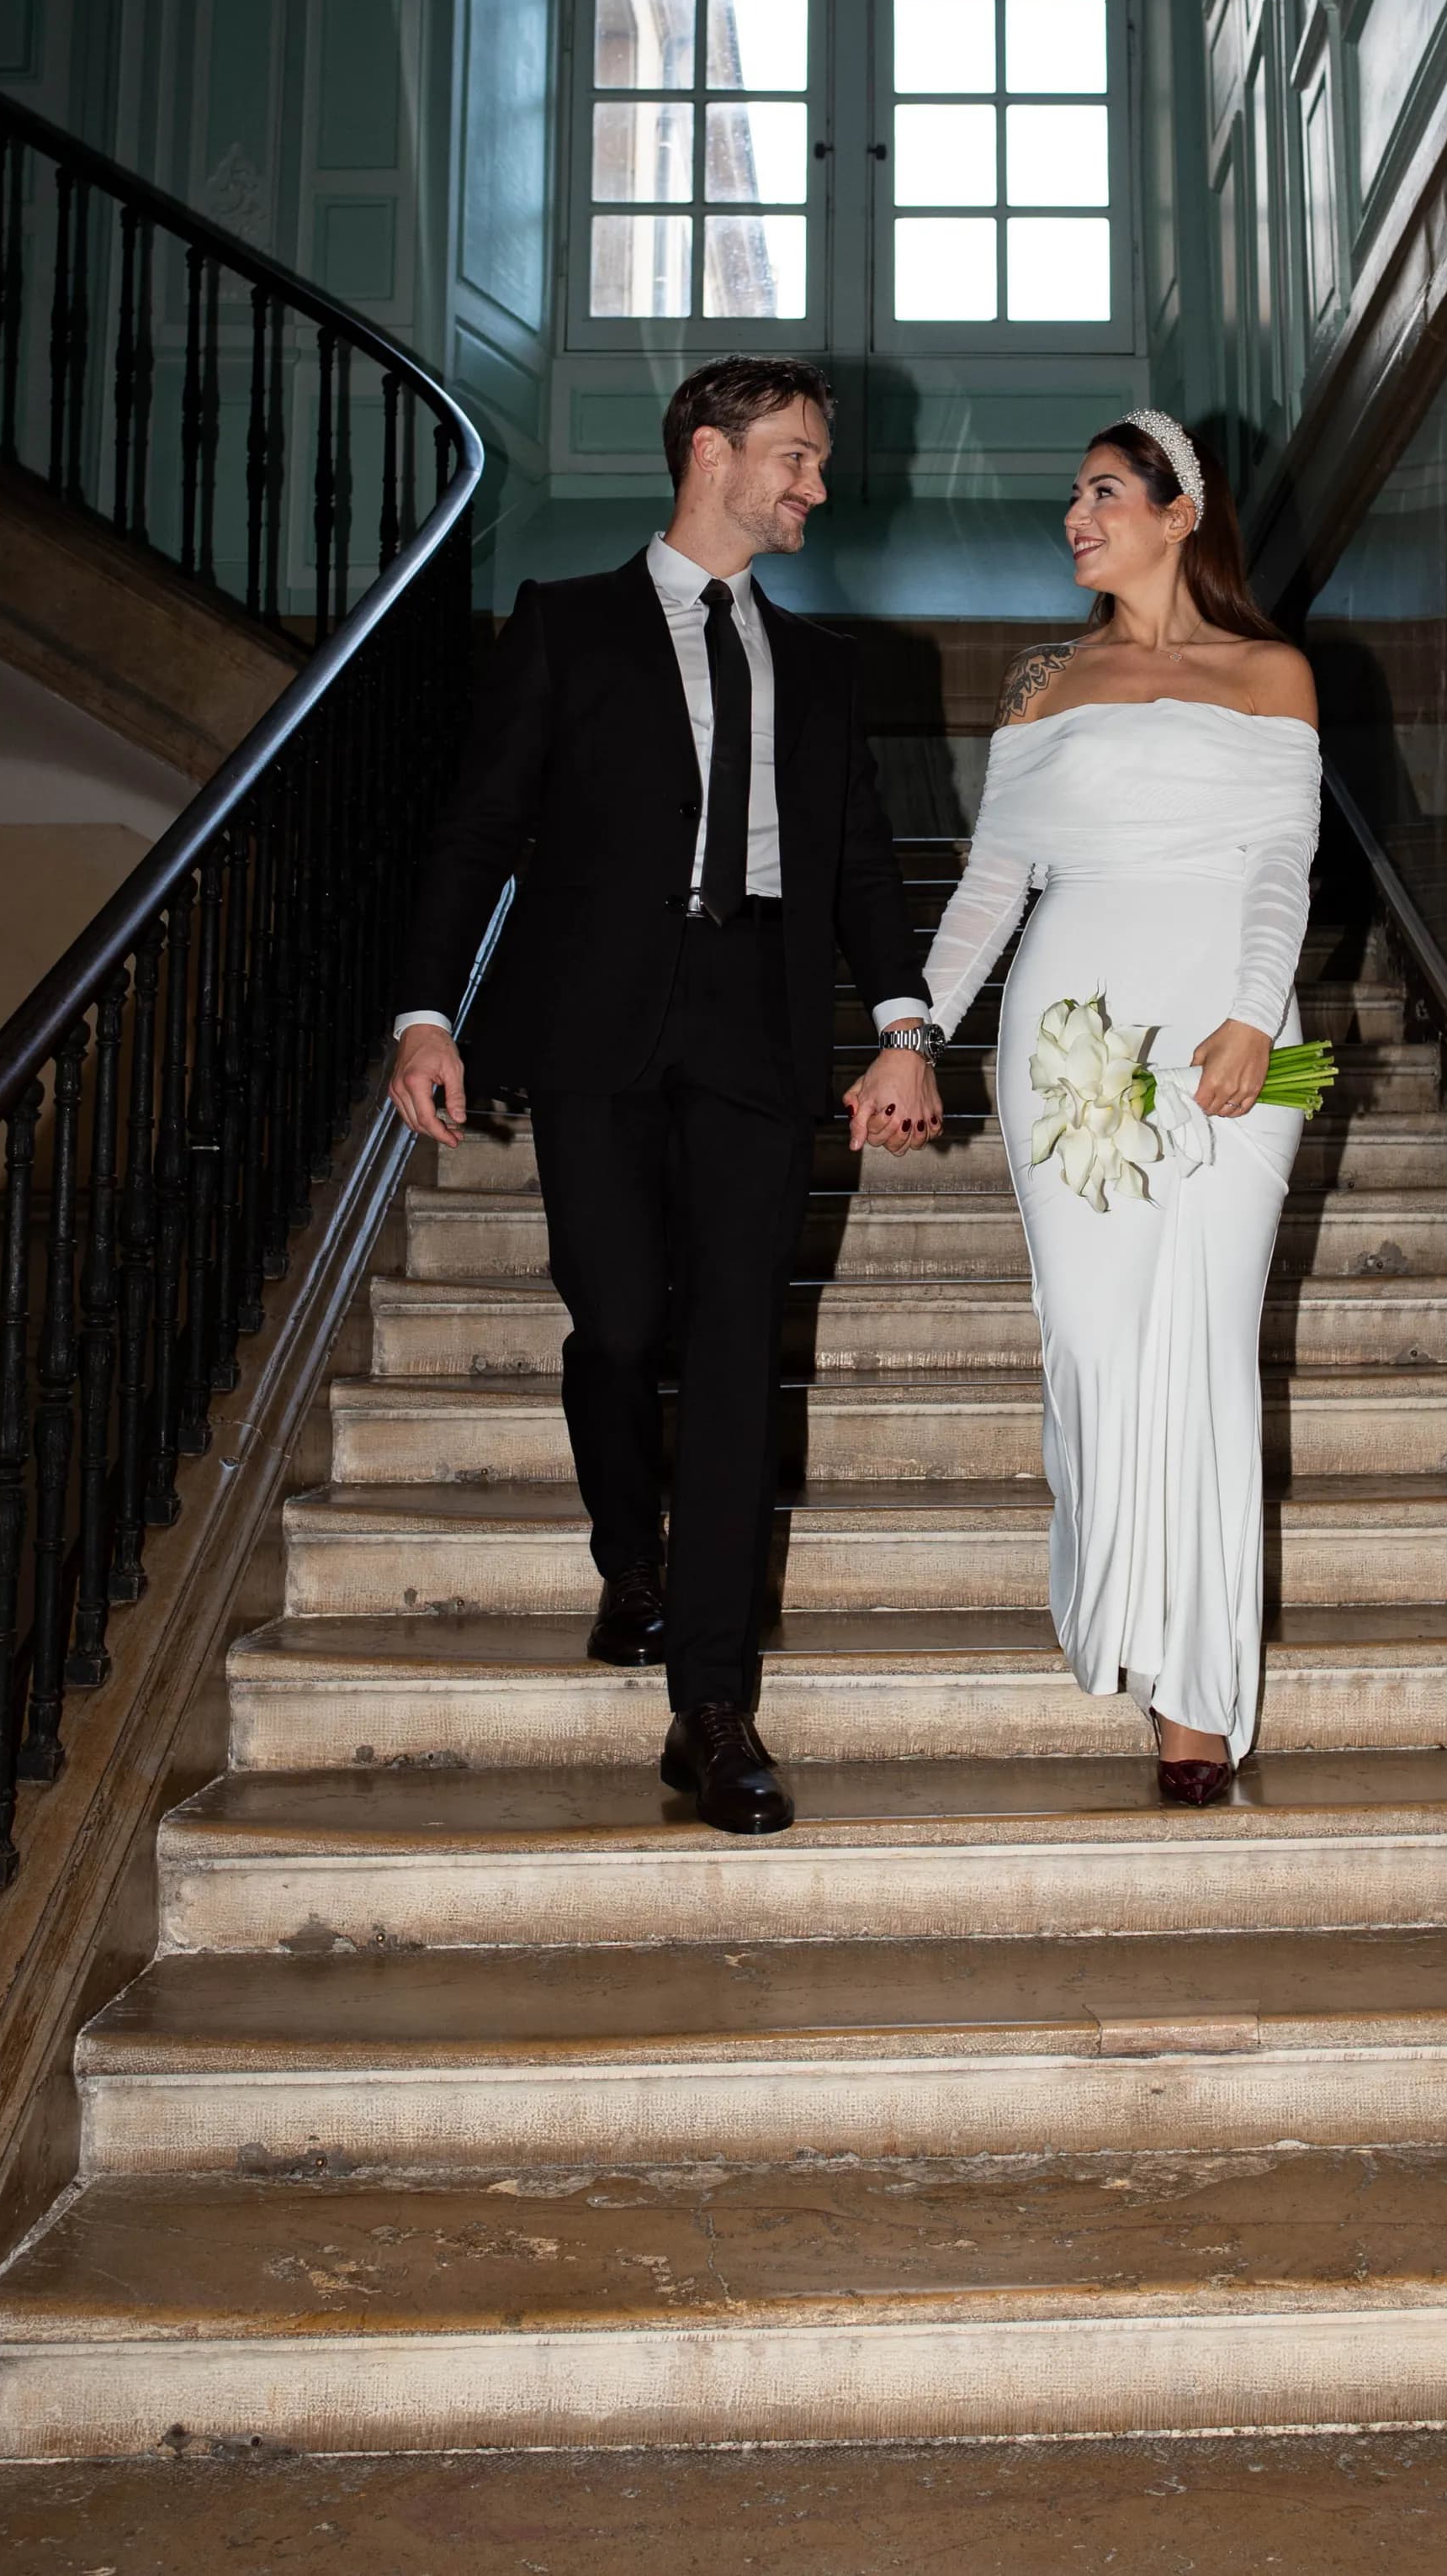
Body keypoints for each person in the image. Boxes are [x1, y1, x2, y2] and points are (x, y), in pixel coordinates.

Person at [387, 357, 944, 1837]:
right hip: (595, 1028)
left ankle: (712, 1707)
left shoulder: (823, 668)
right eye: (798, 460)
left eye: (817, 464)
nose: (816, 489)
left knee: (733, 1344)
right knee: (620, 1318)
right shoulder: (566, 628)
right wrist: (427, 1014)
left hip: (760, 1027)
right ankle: (623, 1548)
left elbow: (859, 865)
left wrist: (902, 1025)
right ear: (711, 454)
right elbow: (480, 830)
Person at [920, 412, 1320, 1803]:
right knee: (1092, 1344)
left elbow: (1281, 862)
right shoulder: (1043, 682)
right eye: (1072, 496)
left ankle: (1194, 1695)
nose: (1075, 518)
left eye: (1100, 493)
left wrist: (1254, 1018)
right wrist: (914, 1029)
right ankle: (1127, 1628)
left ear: (1178, 511)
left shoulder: (1269, 671)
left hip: (1229, 1028)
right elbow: (990, 887)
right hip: (1066, 1034)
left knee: (1201, 1344)